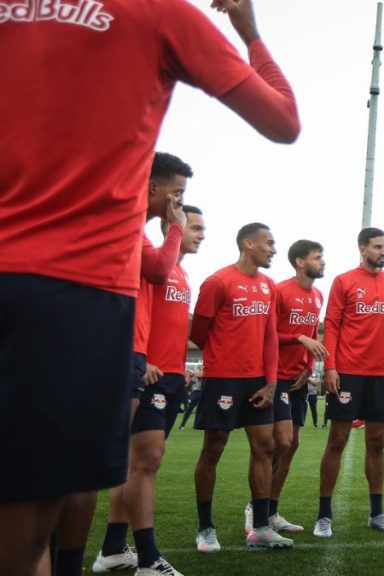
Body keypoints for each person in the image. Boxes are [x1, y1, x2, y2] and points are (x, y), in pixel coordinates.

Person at [0, 1, 299, 571]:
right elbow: (282, 119)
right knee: (31, 514)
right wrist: (248, 30)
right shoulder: (160, 14)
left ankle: (114, 552)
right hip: (72, 288)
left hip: (51, 287)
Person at [91, 153, 190, 576]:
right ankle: (143, 558)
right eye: (177, 194)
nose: (179, 205)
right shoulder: (127, 223)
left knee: (123, 461)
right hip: (121, 353)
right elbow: (155, 270)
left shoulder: (144, 235)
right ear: (153, 188)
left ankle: (113, 550)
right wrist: (177, 231)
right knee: (99, 460)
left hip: (136, 358)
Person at [190, 223, 293, 551]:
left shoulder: (269, 287)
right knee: (213, 448)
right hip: (222, 378)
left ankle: (260, 527)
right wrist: (223, 359)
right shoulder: (218, 282)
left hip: (258, 380)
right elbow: (199, 333)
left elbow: (269, 336)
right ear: (249, 244)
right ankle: (205, 527)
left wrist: (272, 380)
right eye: (269, 243)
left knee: (265, 447)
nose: (274, 249)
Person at [315, 227, 384, 538]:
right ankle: (324, 515)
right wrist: (330, 367)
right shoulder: (344, 281)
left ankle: (376, 513)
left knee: (377, 442)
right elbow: (331, 324)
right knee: (338, 441)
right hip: (348, 373)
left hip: (380, 375)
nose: (383, 251)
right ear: (362, 249)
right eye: (377, 246)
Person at [243, 240, 327, 535]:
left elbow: (313, 331)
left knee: (291, 445)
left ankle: (272, 510)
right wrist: (299, 339)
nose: (323, 261)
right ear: (300, 262)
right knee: (278, 442)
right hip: (275, 377)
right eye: (318, 257)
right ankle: (256, 508)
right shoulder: (279, 290)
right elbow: (268, 333)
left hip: (298, 379)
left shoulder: (317, 295)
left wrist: (307, 366)